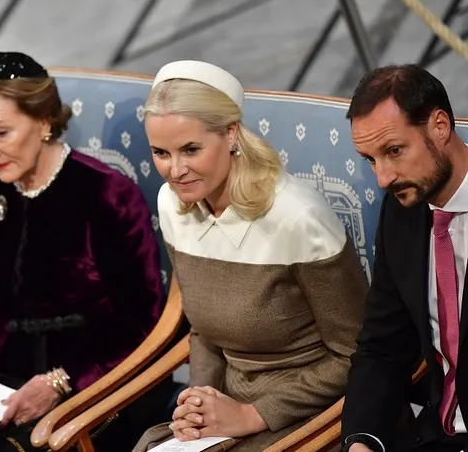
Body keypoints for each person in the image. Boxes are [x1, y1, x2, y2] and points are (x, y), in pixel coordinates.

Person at [0, 52, 167, 451]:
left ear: (43, 121)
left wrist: (60, 381)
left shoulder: (105, 193)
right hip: (14, 372)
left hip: (102, 378)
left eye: (0, 133)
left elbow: (142, 322)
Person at [133, 60, 368, 452]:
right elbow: (204, 332)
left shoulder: (299, 217)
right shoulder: (172, 204)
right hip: (228, 405)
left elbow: (357, 355)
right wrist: (199, 403)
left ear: (230, 133)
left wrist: (254, 415)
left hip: (315, 410)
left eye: (191, 149)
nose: (175, 171)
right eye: (160, 152)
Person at [341, 64, 468, 452]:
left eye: (394, 151)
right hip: (435, 434)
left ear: (440, 126)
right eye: (370, 159)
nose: (383, 178)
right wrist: (361, 439)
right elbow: (383, 346)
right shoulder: (402, 210)